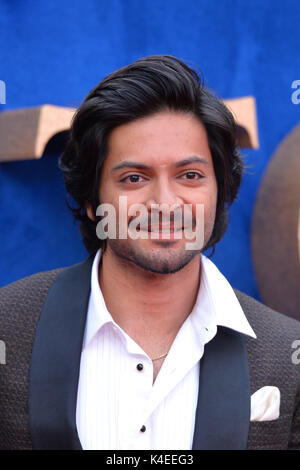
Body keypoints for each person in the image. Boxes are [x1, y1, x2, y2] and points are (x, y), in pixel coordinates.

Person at [0, 55, 299, 451]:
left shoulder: (287, 352)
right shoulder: (7, 326)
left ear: (220, 191)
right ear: (92, 200)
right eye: (134, 178)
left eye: (189, 175)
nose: (165, 202)